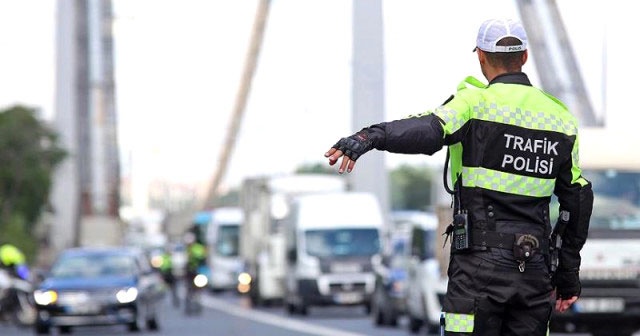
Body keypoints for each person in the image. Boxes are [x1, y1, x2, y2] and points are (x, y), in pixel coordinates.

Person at [324, 18, 593, 335]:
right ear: (524, 56)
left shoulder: (474, 103)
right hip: (534, 269)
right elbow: (578, 199)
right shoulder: (561, 119)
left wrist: (370, 137)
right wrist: (567, 275)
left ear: (481, 56)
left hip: (479, 271)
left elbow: (427, 130)